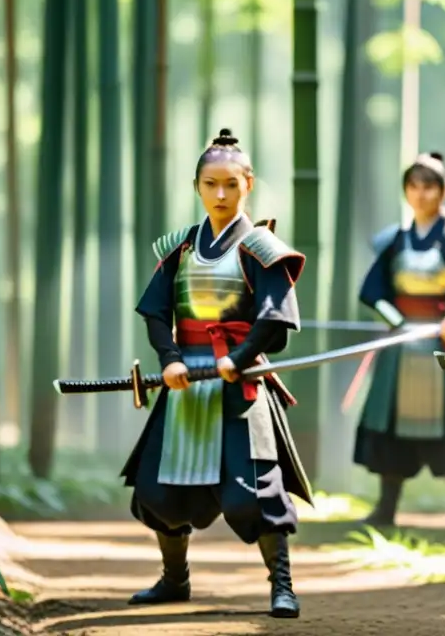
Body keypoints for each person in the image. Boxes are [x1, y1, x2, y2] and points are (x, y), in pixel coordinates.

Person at [120, 128, 312, 618]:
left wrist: (241, 357)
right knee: (159, 491)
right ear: (197, 186)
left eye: (231, 184)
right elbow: (156, 312)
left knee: (254, 492)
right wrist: (170, 360)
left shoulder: (262, 246)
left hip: (240, 385)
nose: (221, 195)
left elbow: (275, 316)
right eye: (211, 184)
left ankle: (282, 586)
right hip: (185, 383)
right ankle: (173, 579)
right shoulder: (180, 247)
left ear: (248, 183)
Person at [354, 152, 445, 534]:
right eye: (413, 185)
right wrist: (397, 322)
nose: (421, 193)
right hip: (400, 345)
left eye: (429, 185)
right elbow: (374, 291)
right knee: (389, 430)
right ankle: (385, 507)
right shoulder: (393, 240)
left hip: (444, 344)